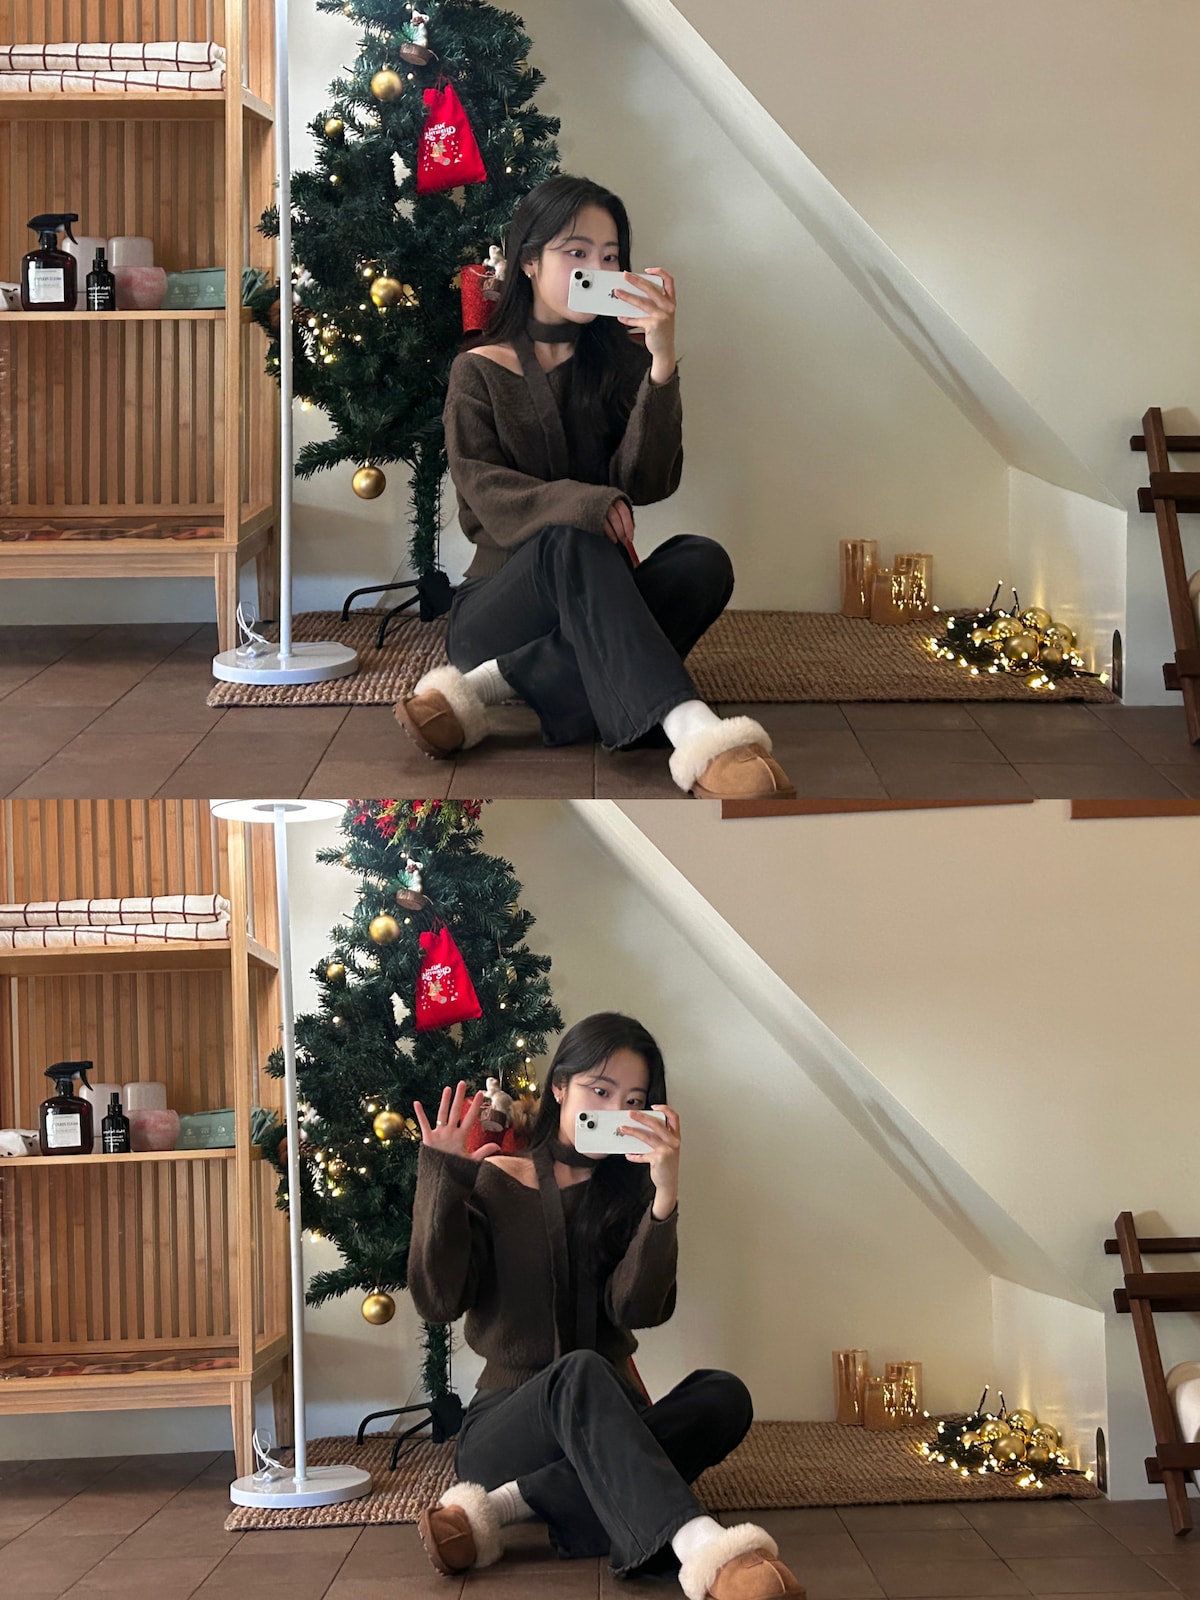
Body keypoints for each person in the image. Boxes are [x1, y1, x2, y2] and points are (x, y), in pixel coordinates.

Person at [395, 175, 795, 801]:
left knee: (702, 561)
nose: (597, 269)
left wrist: (661, 363)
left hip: (598, 597)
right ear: (529, 261)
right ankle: (693, 732)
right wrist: (585, 503)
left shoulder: (619, 363)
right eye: (576, 252)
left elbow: (648, 482)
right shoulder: (476, 371)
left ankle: (487, 689)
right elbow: (485, 494)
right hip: (497, 609)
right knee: (572, 535)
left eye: (610, 257)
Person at [408, 1013, 805, 1600]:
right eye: (600, 1091)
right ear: (559, 1087)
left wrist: (664, 1197)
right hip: (505, 1427)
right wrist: (444, 1175)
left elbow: (638, 1310)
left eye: (634, 1100)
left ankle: (504, 1508)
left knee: (724, 1395)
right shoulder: (495, 1178)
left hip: (608, 1413)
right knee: (581, 1370)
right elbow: (438, 1300)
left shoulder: (630, 1191)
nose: (616, 1110)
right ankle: (704, 1550)